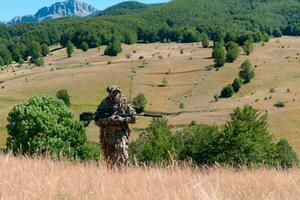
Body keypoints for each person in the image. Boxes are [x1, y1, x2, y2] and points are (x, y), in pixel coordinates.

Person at [95, 86, 136, 166]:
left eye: (117, 92)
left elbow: (133, 117)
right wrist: (108, 120)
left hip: (121, 134)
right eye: (114, 92)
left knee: (122, 153)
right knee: (109, 159)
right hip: (107, 135)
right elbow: (97, 120)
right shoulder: (104, 104)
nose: (116, 94)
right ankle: (112, 175)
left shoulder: (124, 103)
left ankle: (123, 172)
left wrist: (122, 119)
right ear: (110, 93)